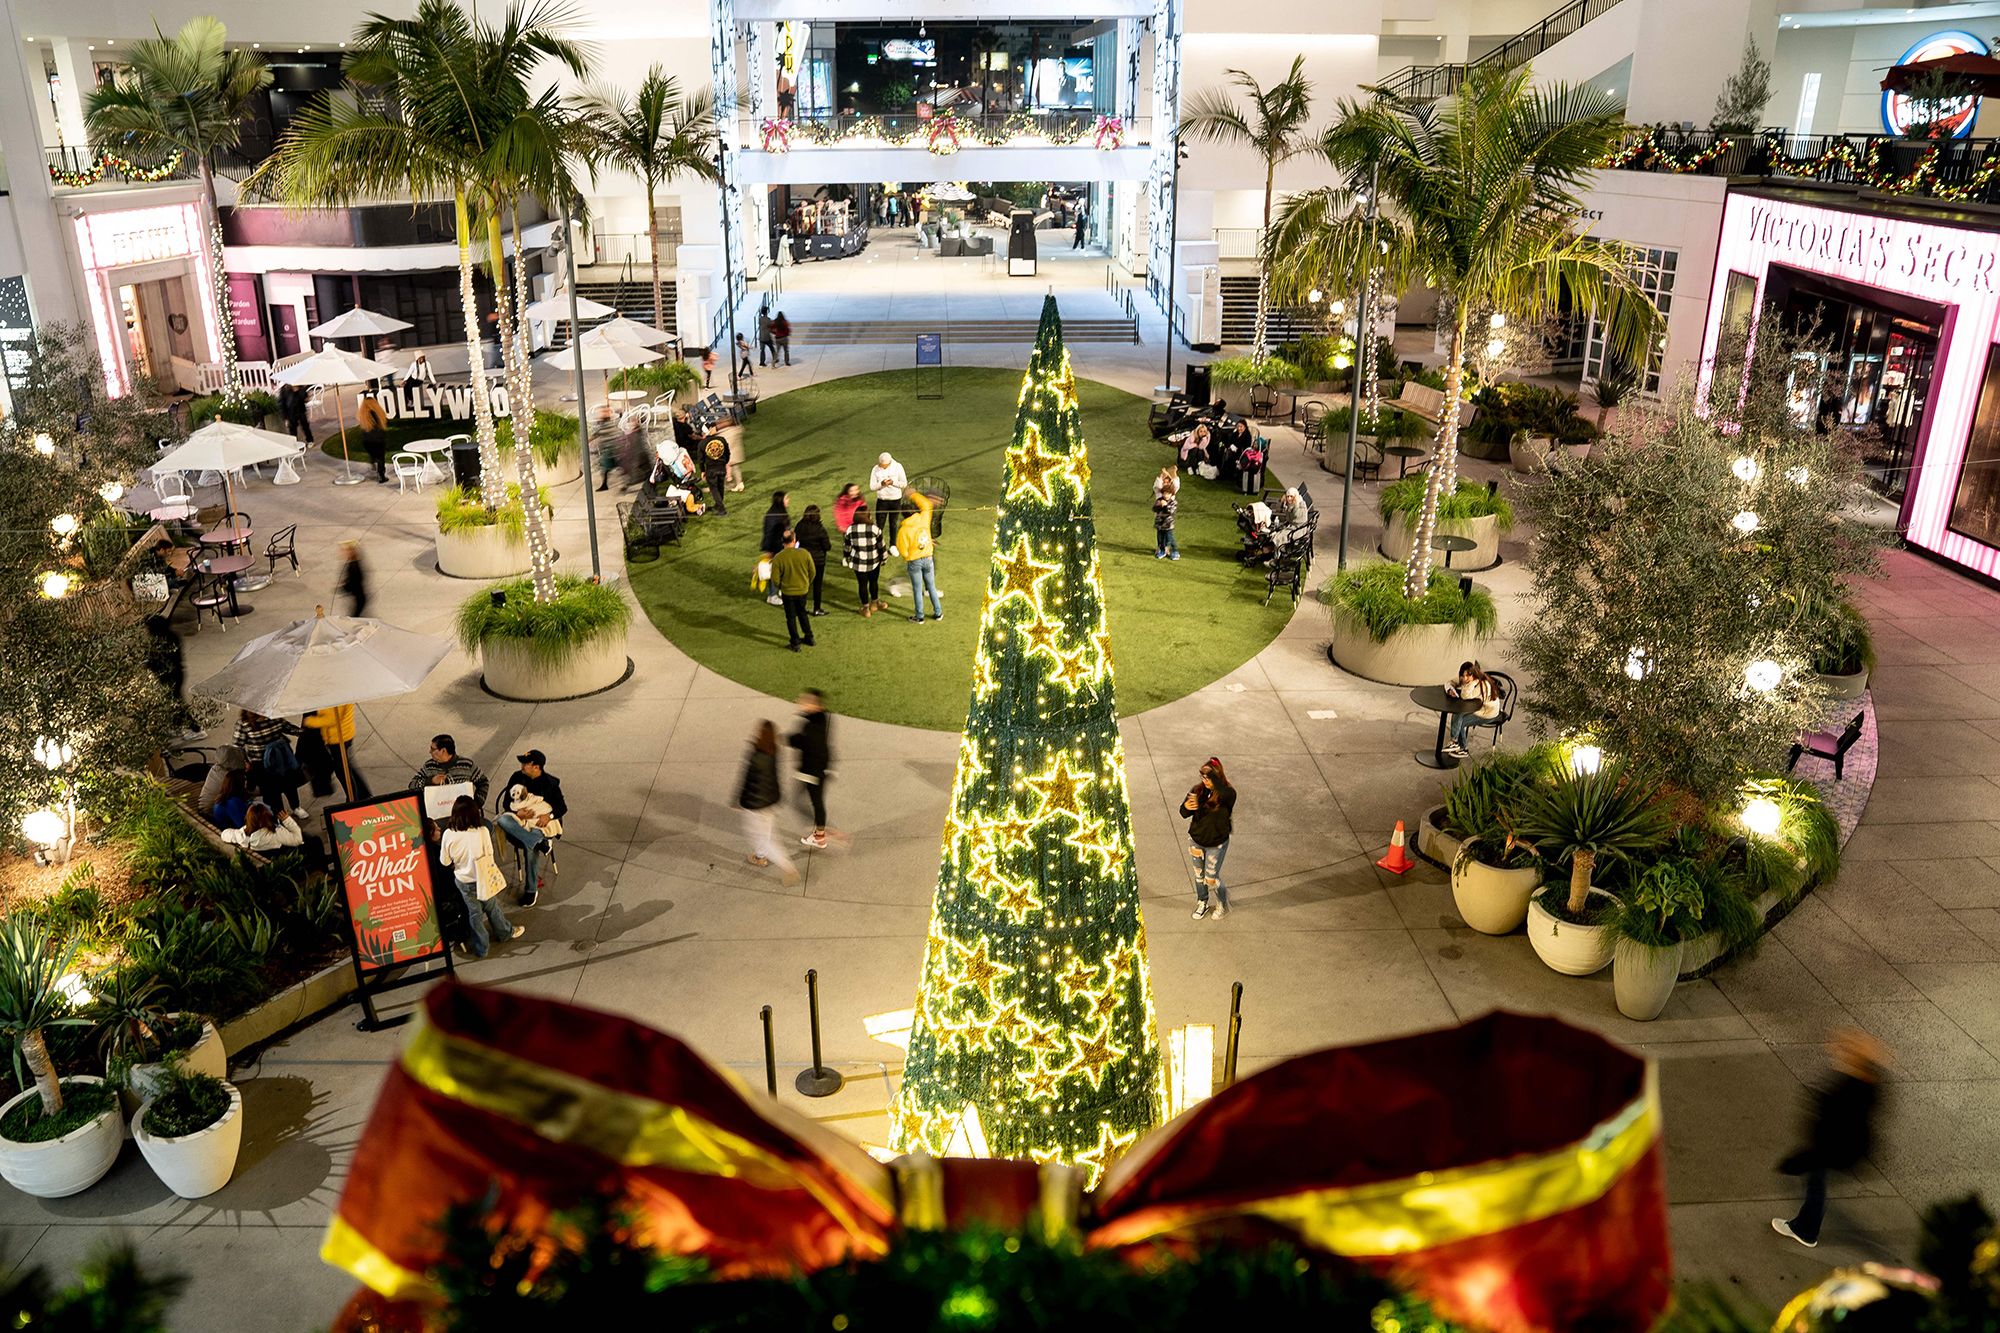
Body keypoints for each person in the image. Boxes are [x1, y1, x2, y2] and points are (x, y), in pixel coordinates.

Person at [1773, 1030, 1887, 1247]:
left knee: (1816, 1181)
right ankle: (1807, 1225)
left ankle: (1806, 1230)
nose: (1840, 1053)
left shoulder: (1850, 1088)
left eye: (1847, 1051)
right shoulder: (1869, 1082)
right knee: (1817, 1179)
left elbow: (1834, 1120)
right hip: (1845, 1146)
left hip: (1833, 1148)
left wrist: (1802, 1159)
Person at [437, 794, 523, 957]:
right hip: (482, 878)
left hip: (463, 880)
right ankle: (505, 932)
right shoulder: (482, 832)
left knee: (474, 913)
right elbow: (490, 854)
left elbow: (445, 861)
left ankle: (482, 948)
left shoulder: (448, 834)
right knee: (491, 906)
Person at [495, 749, 566, 907]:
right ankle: (539, 842)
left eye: (526, 763)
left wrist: (549, 816)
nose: (522, 765)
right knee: (502, 820)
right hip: (519, 823)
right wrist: (517, 812)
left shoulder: (550, 783)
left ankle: (531, 890)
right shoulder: (516, 777)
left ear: (537, 767)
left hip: (540, 823)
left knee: (529, 847)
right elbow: (506, 803)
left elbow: (562, 807)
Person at [738, 721, 800, 886]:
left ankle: (788, 868)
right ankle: (759, 857)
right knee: (767, 835)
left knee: (760, 838)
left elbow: (747, 782)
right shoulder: (773, 751)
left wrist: (740, 802)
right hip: (770, 802)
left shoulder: (756, 757)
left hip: (755, 806)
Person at [1179, 758, 1236, 919]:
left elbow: (1226, 794)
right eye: (1202, 777)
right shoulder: (1198, 791)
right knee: (1199, 876)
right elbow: (1183, 813)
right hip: (1196, 840)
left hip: (1216, 843)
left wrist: (1213, 775)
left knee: (1211, 878)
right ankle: (1202, 901)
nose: (1204, 781)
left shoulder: (1227, 794)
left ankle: (1223, 903)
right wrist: (1186, 808)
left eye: (1208, 778)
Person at [790, 689, 835, 849]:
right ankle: (820, 832)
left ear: (814, 704)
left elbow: (802, 741)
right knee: (814, 802)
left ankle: (821, 834)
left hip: (811, 772)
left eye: (805, 701)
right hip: (819, 769)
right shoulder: (822, 717)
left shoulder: (811, 726)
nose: (801, 702)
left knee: (807, 803)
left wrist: (789, 738)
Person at [303, 702, 368, 799]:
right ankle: (363, 794)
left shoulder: (336, 699)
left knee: (343, 771)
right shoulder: (335, 695)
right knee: (346, 767)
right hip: (340, 736)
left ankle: (353, 798)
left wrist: (309, 721)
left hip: (339, 739)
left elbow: (332, 719)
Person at [898, 489, 941, 624]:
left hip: (914, 561)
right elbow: (927, 504)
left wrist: (908, 556)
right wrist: (912, 494)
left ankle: (919, 616)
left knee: (917, 589)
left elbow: (902, 549)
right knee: (931, 587)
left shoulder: (903, 530)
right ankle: (938, 613)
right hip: (928, 558)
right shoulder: (923, 518)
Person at [771, 528, 818, 651]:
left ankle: (795, 642)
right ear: (794, 540)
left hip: (788, 592)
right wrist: (806, 583)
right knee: (802, 613)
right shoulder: (804, 553)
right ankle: (809, 637)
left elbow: (775, 579)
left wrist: (782, 586)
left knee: (791, 617)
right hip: (802, 590)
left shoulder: (778, 558)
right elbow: (812, 572)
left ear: (783, 541)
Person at [411, 733, 489, 807]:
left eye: (433, 749)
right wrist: (430, 781)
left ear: (443, 751)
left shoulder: (467, 765)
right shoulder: (429, 766)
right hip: (436, 815)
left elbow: (483, 782)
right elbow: (412, 785)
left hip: (462, 816)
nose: (430, 752)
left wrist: (476, 804)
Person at [1445, 661, 1500, 758]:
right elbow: (1449, 682)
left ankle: (1462, 748)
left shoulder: (1482, 684)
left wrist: (1473, 682)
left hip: (1487, 713)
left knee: (1461, 720)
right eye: (1463, 675)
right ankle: (1455, 743)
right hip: (1477, 708)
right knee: (1458, 714)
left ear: (1474, 675)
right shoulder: (1466, 678)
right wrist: (1450, 690)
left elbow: (1465, 695)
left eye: (1468, 676)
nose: (1465, 678)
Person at [843, 504, 885, 617]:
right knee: (873, 582)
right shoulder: (875, 529)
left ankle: (866, 608)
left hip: (858, 562)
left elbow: (847, 547)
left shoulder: (850, 529)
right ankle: (875, 603)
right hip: (874, 561)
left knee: (862, 584)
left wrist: (846, 557)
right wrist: (884, 559)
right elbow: (881, 546)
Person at [222, 801, 304, 853]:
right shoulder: (275, 834)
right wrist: (287, 820)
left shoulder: (241, 836)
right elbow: (298, 840)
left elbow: (224, 834)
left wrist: (239, 832)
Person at [794, 503, 832, 616]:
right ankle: (817, 608)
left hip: (803, 559)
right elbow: (827, 546)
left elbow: (796, 540)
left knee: (803, 584)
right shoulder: (820, 529)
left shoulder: (799, 526)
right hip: (818, 561)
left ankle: (801, 608)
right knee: (817, 585)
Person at [870, 452, 908, 555]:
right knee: (880, 524)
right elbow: (872, 486)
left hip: (895, 499)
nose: (881, 466)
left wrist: (893, 483)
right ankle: (878, 546)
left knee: (893, 523)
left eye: (883, 465)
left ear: (889, 462)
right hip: (882, 500)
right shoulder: (875, 469)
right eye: (880, 464)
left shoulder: (898, 466)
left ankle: (893, 545)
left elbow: (904, 483)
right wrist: (881, 484)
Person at [760, 491, 791, 606]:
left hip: (782, 546)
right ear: (780, 500)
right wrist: (768, 550)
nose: (788, 500)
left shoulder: (780, 512)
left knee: (782, 570)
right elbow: (768, 533)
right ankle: (772, 595)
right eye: (786, 498)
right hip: (775, 547)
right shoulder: (773, 515)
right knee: (775, 571)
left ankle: (779, 592)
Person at [356, 392, 390, 483]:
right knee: (381, 458)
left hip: (367, 441)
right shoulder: (376, 413)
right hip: (378, 440)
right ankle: (381, 476)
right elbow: (382, 425)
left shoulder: (363, 415)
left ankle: (372, 459)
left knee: (374, 454)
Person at [699, 429, 730, 514]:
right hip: (721, 467)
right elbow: (727, 453)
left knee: (714, 489)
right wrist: (724, 462)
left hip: (711, 469)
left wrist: (702, 470)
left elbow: (701, 460)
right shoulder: (722, 439)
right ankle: (718, 505)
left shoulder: (702, 443)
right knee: (720, 487)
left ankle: (721, 509)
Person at [338, 540, 368, 618]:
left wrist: (344, 587)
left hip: (358, 598)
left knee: (355, 619)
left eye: (346, 551)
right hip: (357, 597)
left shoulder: (354, 565)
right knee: (356, 618)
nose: (342, 552)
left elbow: (357, 580)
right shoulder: (352, 564)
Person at [1154, 475, 1180, 561]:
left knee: (1170, 539)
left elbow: (1170, 512)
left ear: (1171, 494)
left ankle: (1175, 551)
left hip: (1168, 525)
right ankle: (1162, 550)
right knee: (1160, 539)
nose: (1166, 495)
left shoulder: (1173, 502)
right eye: (1164, 493)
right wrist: (1158, 505)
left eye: (1168, 493)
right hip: (1160, 524)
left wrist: (1165, 506)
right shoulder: (1159, 500)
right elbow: (1154, 509)